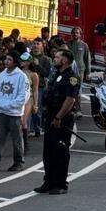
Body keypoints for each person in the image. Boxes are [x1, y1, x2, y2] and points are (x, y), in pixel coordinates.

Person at [35, 50, 79, 195]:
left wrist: (59, 117)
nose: (55, 59)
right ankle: (49, 181)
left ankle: (60, 184)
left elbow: (70, 99)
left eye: (58, 57)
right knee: (48, 151)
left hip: (62, 118)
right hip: (51, 116)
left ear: (65, 60)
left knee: (60, 151)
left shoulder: (72, 77)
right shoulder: (56, 74)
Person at [0, 52, 29, 174]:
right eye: (6, 59)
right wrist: (1, 104)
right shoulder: (3, 74)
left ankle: (18, 162)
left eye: (9, 59)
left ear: (15, 62)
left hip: (14, 114)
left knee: (16, 139)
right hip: (2, 113)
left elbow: (24, 97)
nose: (6, 61)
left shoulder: (22, 76)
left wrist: (8, 105)